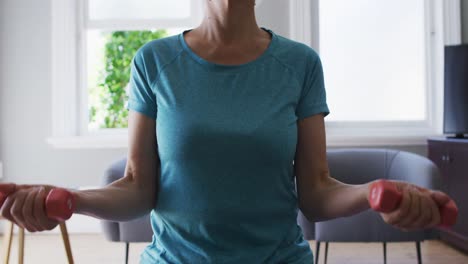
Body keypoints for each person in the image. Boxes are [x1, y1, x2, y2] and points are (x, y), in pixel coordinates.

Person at [0, 0, 452, 263]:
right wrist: (71, 200)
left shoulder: (300, 64)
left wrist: (374, 191)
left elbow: (315, 193)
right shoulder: (153, 61)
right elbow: (138, 189)